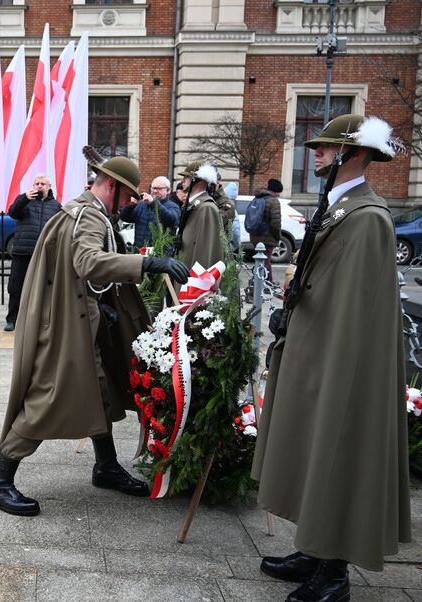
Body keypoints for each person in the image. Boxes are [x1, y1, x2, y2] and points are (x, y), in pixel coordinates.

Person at [253, 114, 411, 600]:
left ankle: (334, 572)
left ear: (356, 153)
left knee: (335, 448)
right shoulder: (340, 207)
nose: (315, 152)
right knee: (309, 447)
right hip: (316, 350)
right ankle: (315, 546)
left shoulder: (366, 218)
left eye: (326, 147)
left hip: (340, 362)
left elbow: (355, 308)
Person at [0, 155, 189, 516]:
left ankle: (105, 466)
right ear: (112, 186)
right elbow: (88, 262)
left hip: (76, 316)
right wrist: (148, 264)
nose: (129, 205)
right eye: (127, 197)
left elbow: (78, 271)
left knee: (100, 389)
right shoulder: (89, 214)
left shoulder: (79, 210)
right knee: (49, 397)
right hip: (66, 325)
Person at [4, 174, 61, 332]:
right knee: (16, 287)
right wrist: (24, 198)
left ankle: (41, 320)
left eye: (43, 183)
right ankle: (12, 319)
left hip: (44, 254)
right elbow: (13, 212)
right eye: (37, 183)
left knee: (44, 288)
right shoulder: (25, 202)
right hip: (23, 251)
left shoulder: (56, 206)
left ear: (49, 187)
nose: (39, 186)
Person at [175, 161, 225, 270]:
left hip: (192, 278)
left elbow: (205, 251)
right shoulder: (193, 204)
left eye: (187, 177)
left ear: (198, 180)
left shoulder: (207, 208)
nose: (183, 180)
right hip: (184, 267)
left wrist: (196, 283)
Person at [118, 176, 181, 249]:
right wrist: (131, 205)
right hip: (139, 252)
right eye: (153, 188)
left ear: (168, 190)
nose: (155, 191)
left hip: (160, 253)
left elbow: (170, 219)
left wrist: (153, 203)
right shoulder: (142, 204)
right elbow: (124, 217)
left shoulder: (173, 206)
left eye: (159, 188)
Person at [246, 178, 282, 284]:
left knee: (262, 261)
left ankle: (268, 282)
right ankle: (262, 284)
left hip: (255, 235)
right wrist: (278, 237)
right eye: (279, 192)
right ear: (276, 191)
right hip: (267, 237)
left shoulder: (258, 198)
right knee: (265, 262)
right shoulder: (274, 201)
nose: (279, 195)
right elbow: (276, 224)